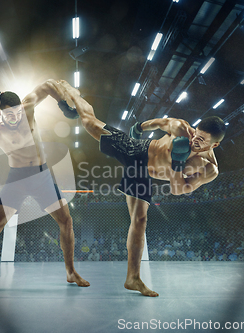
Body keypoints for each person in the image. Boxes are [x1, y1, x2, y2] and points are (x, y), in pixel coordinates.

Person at [58, 80, 225, 297]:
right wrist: (139, 128)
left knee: (140, 220)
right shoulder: (181, 128)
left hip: (143, 174)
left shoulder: (209, 169)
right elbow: (159, 123)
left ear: (214, 145)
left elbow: (177, 190)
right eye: (196, 134)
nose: (195, 140)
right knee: (90, 123)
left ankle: (133, 279)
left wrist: (176, 165)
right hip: (137, 151)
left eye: (202, 141)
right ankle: (73, 97)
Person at [0, 80, 89, 295]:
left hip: (42, 175)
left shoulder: (28, 106)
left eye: (16, 112)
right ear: (0, 113)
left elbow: (48, 86)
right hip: (17, 178)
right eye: (7, 113)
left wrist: (62, 104)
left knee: (66, 221)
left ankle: (71, 271)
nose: (14, 116)